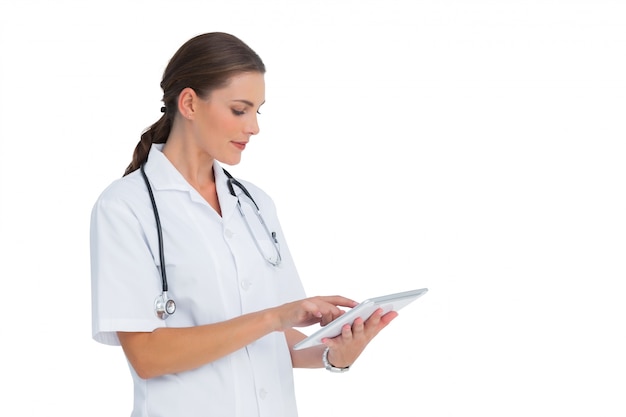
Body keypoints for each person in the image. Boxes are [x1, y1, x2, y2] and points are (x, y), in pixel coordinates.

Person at [90, 32, 398, 417]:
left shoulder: (254, 204)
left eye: (258, 111)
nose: (254, 127)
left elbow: (276, 343)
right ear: (189, 103)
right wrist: (273, 317)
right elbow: (148, 356)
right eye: (240, 110)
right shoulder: (125, 207)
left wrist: (333, 354)